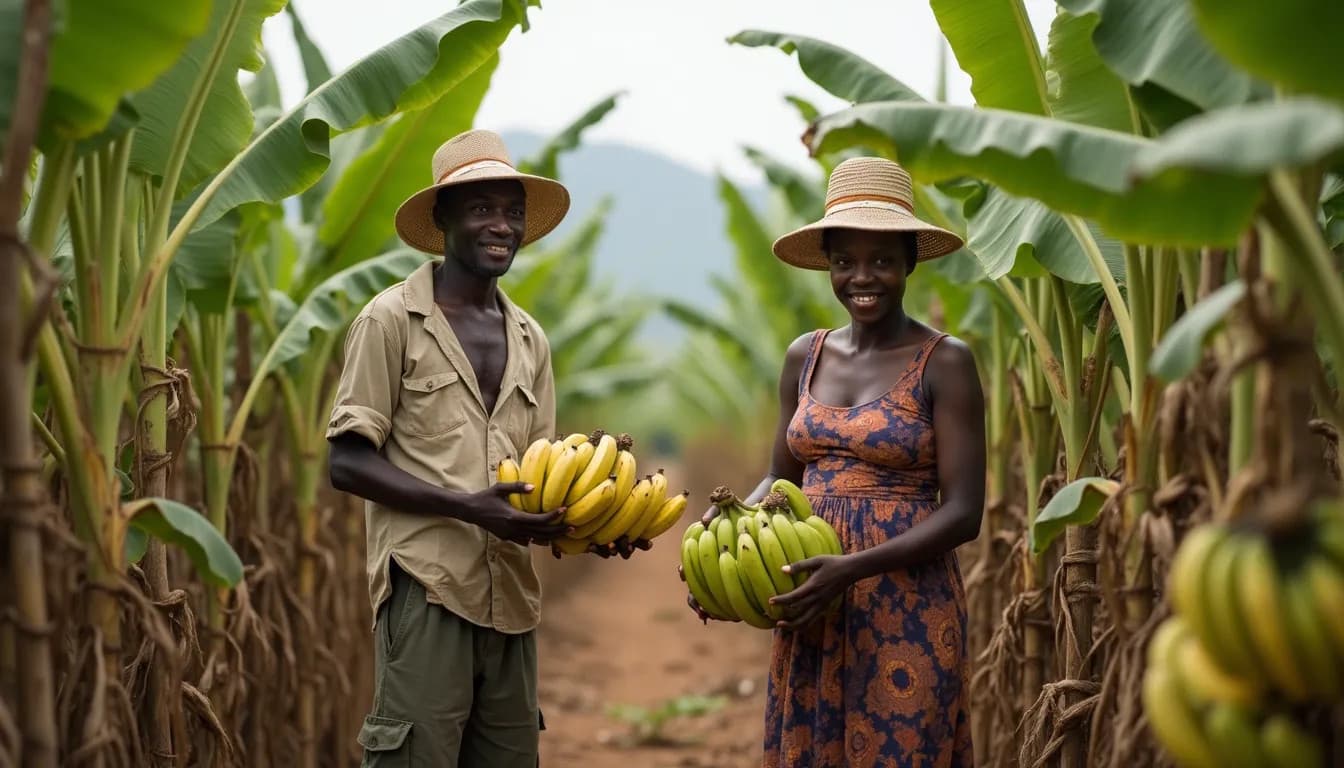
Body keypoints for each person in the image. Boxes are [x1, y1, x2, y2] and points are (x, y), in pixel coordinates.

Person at [692, 156, 986, 766]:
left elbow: (964, 512)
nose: (863, 277)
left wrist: (851, 568)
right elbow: (780, 476)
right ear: (827, 265)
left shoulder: (946, 361)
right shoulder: (806, 355)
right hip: (811, 599)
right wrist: (723, 545)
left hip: (905, 602)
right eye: (845, 261)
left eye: (881, 260)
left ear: (910, 261)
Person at [326, 129, 600, 767]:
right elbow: (346, 461)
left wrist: (585, 523)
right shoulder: (390, 320)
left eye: (512, 212)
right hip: (428, 588)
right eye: (481, 209)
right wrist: (472, 507)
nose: (501, 225)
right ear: (443, 218)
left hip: (512, 598)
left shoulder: (531, 339)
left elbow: (539, 472)